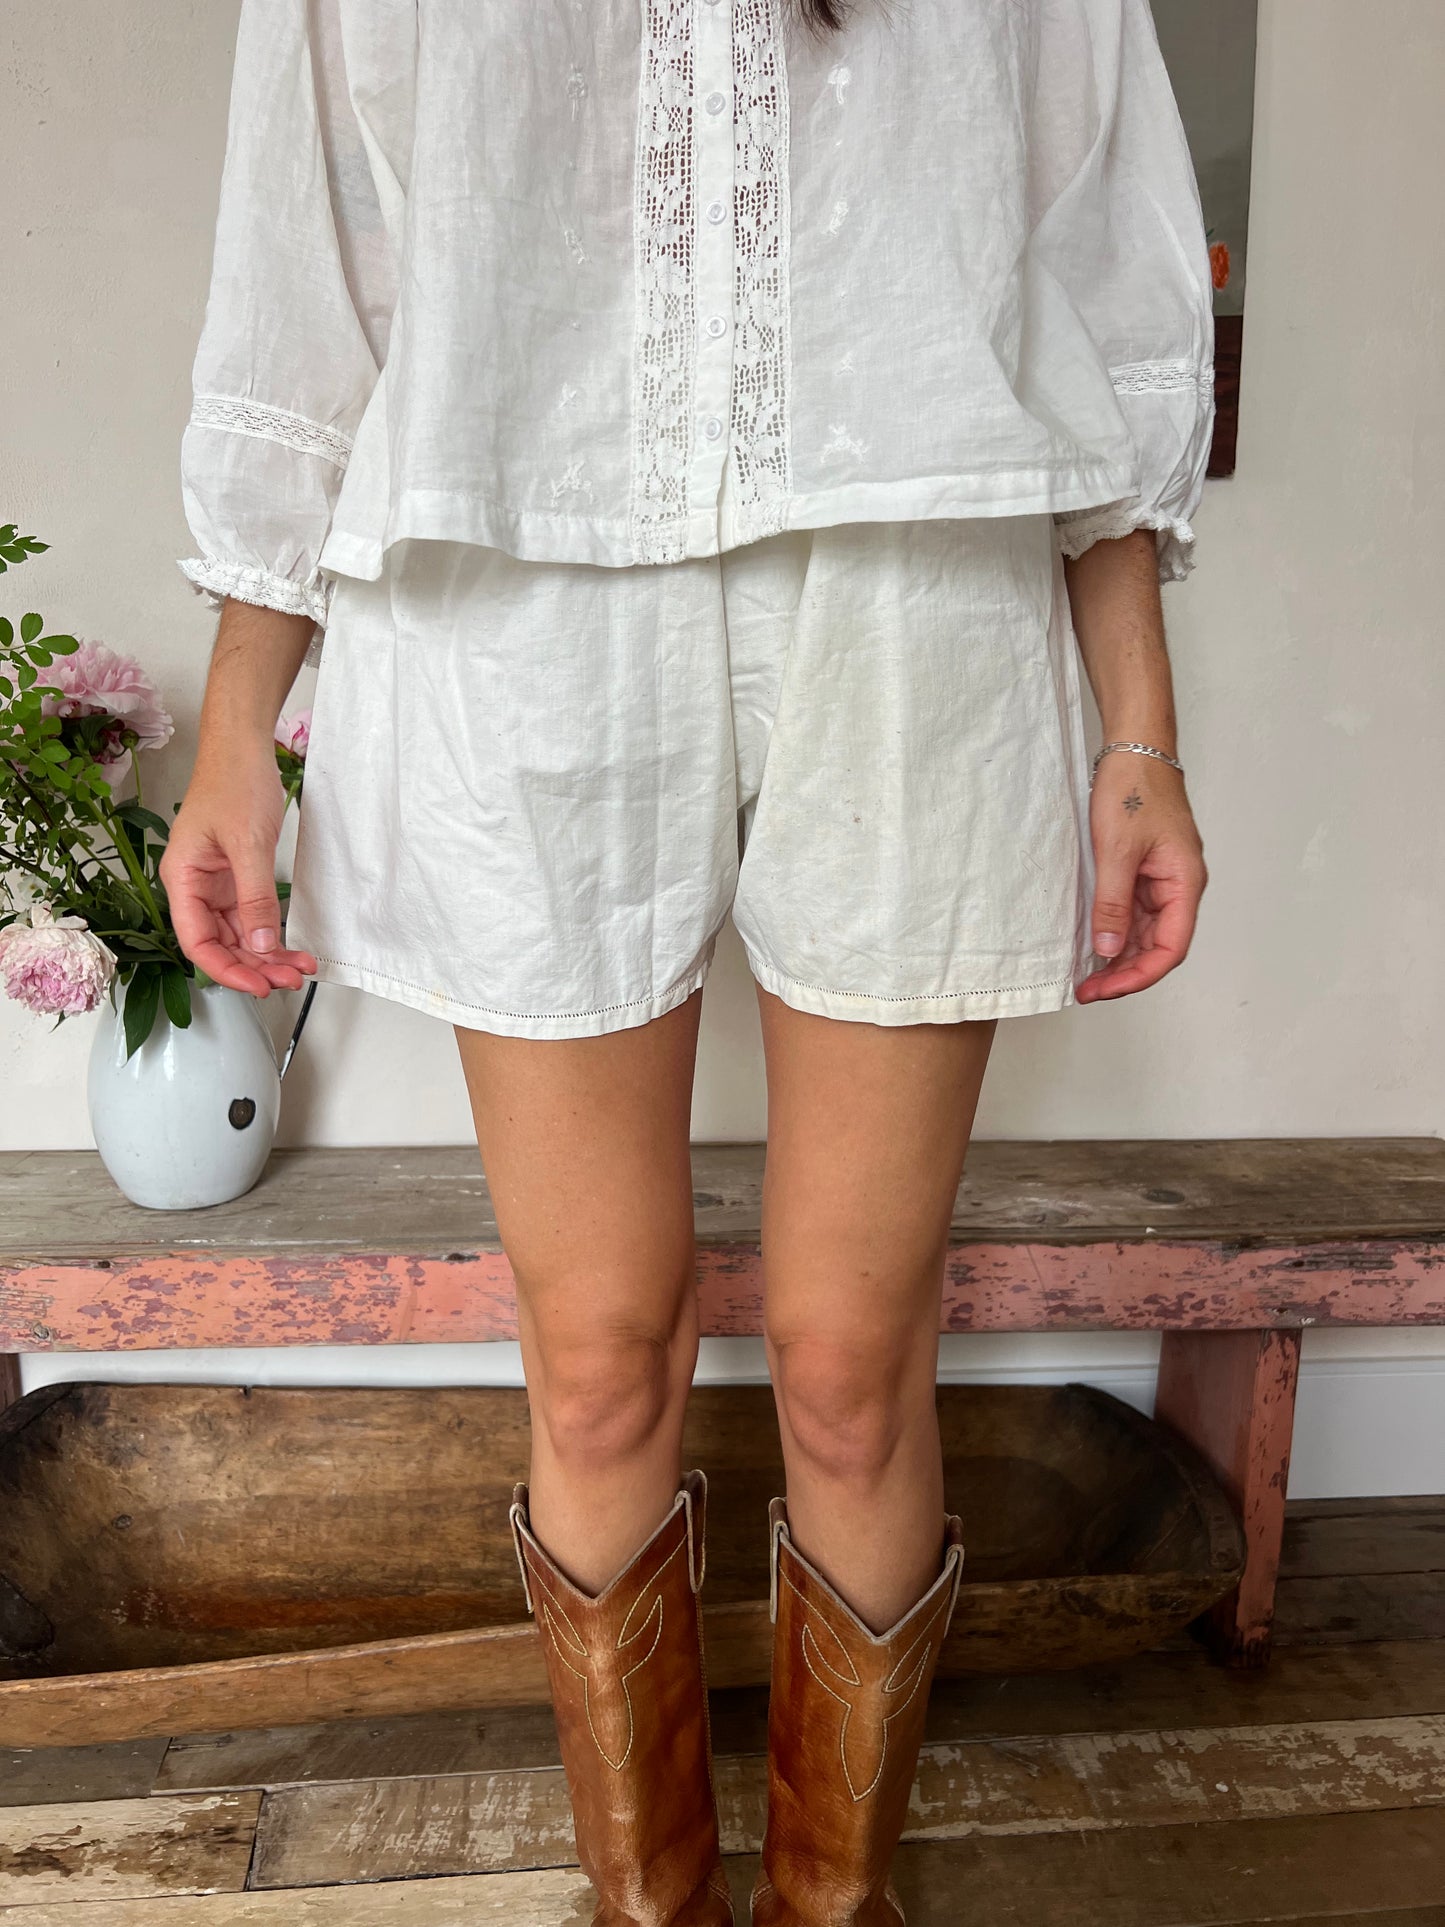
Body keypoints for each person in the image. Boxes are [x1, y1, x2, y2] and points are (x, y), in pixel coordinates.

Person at [161, 1, 1213, 1920]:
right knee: (593, 1361)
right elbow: (309, 267)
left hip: (919, 577)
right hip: (512, 590)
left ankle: (835, 1902)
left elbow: (1093, 254)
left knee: (851, 1365)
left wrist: (1136, 728)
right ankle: (643, 1902)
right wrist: (243, 720)